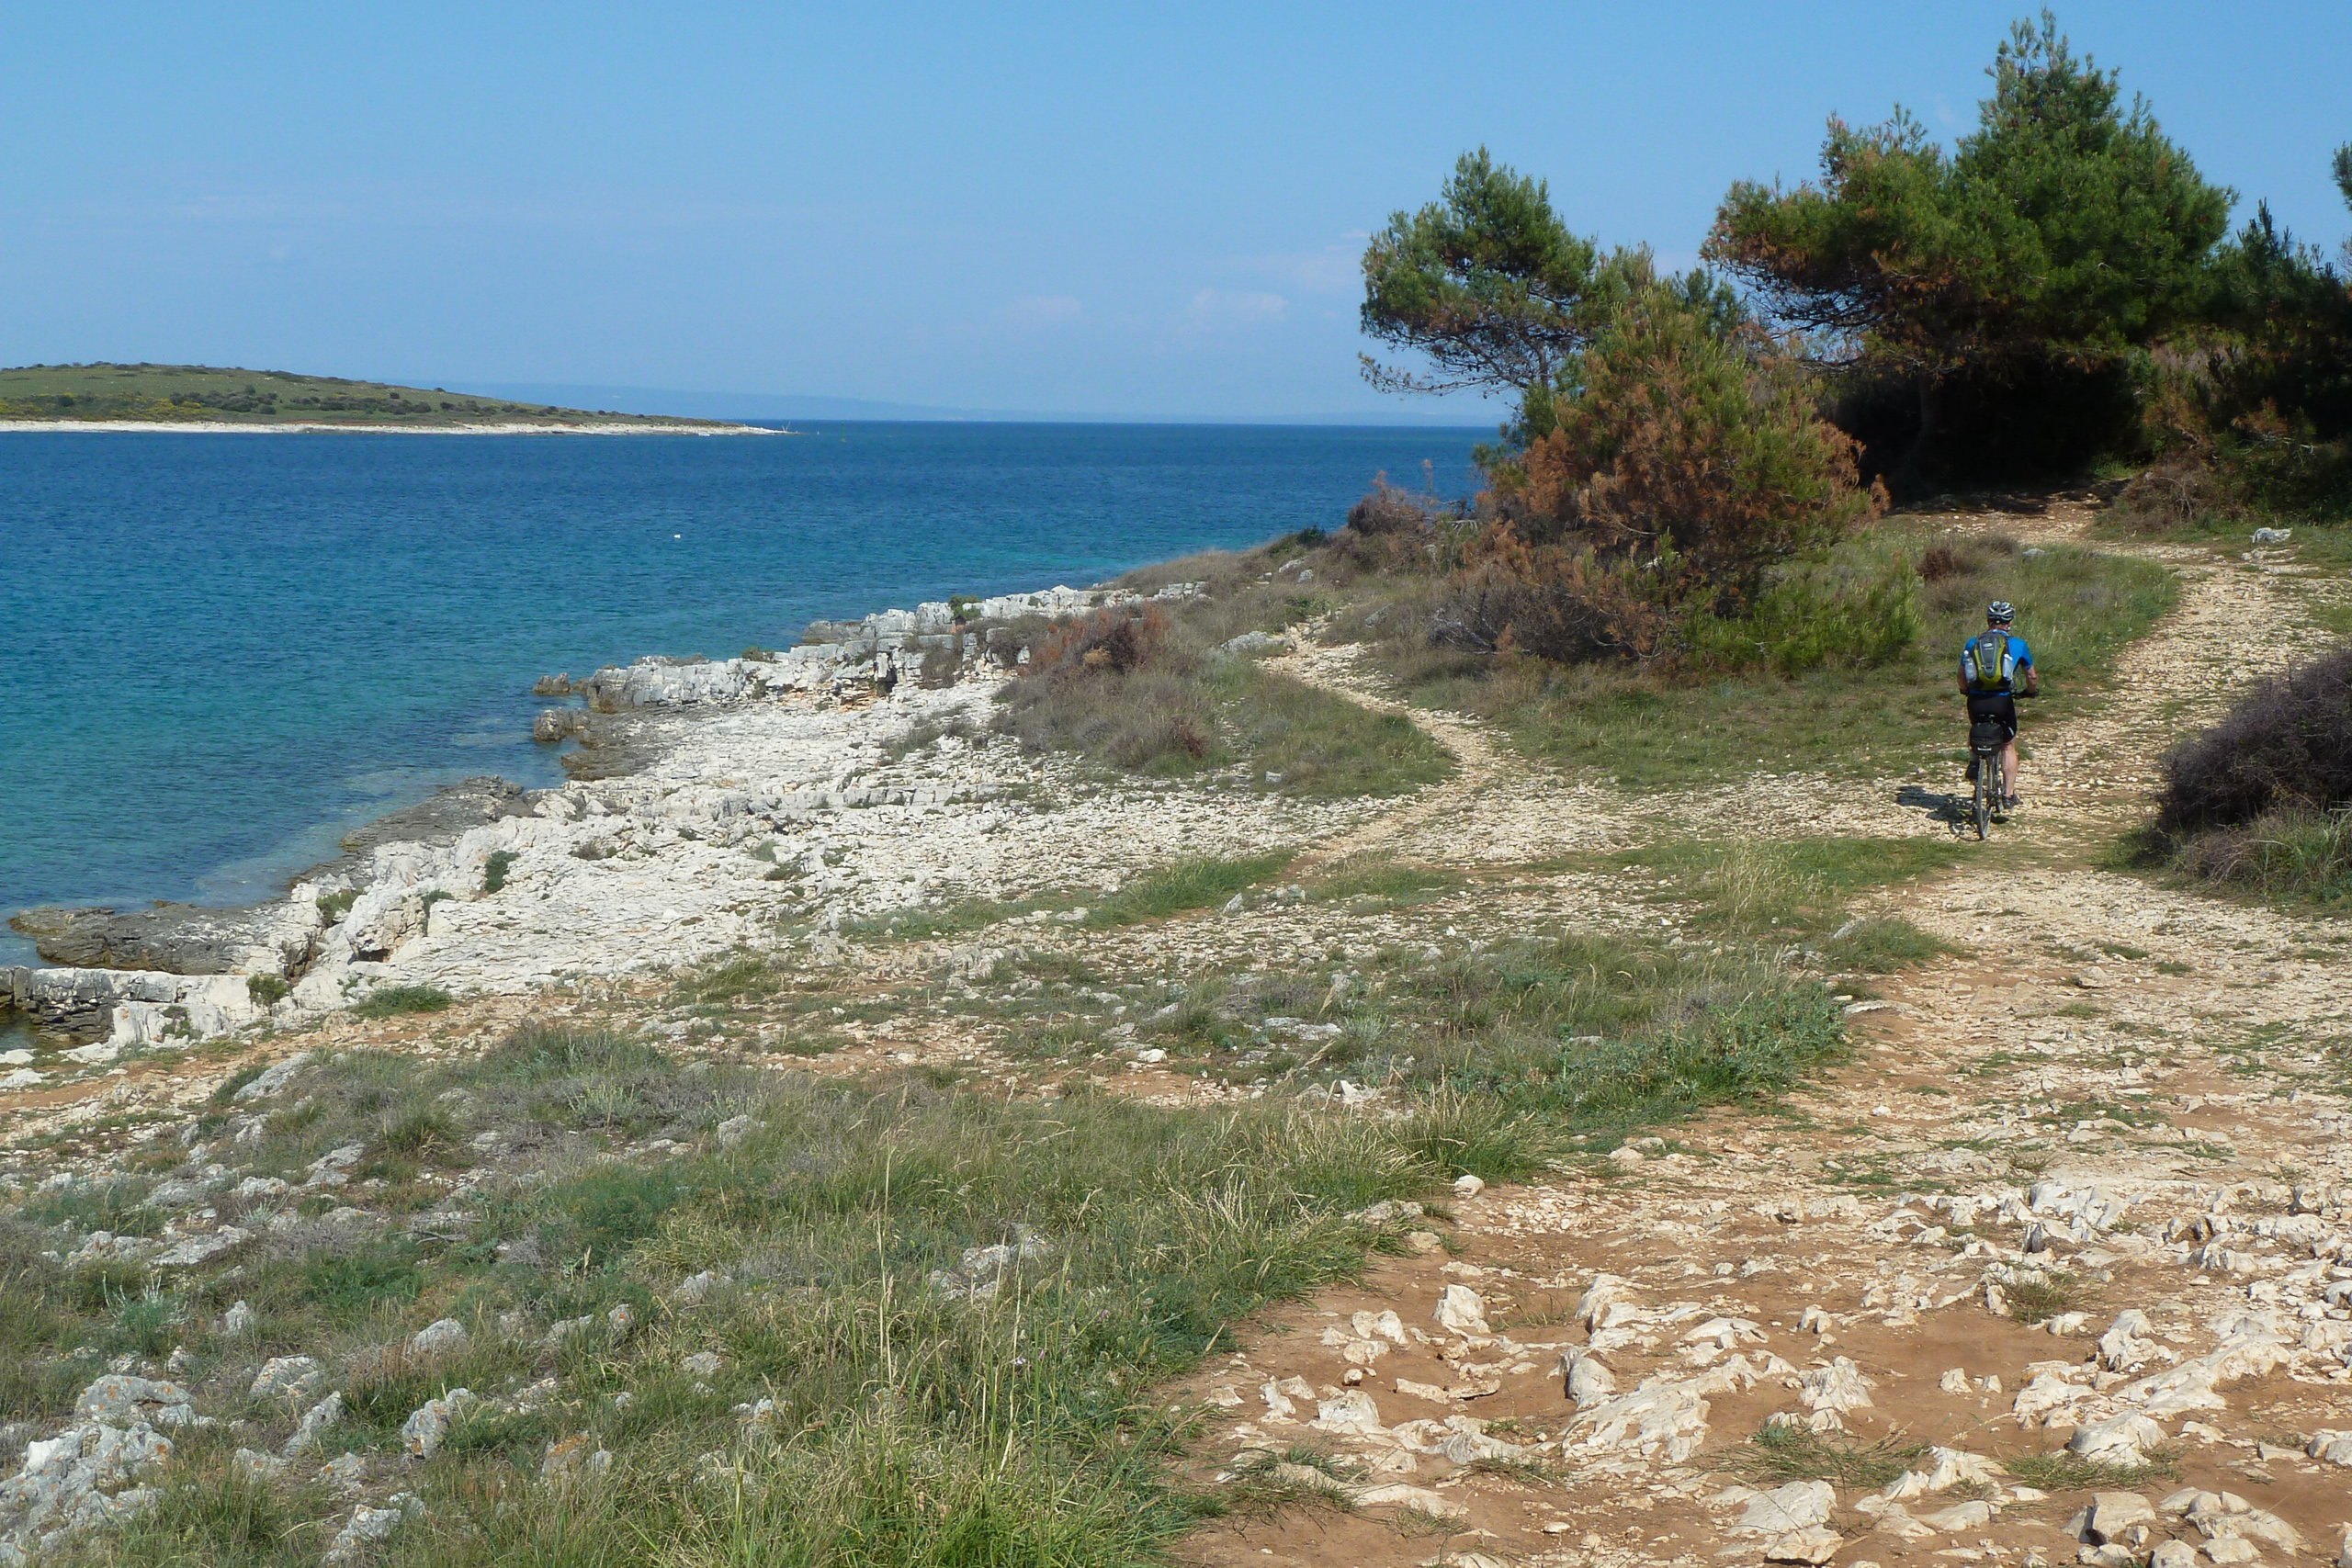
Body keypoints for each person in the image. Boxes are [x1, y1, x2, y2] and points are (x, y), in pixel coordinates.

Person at [1958, 601, 2037, 809]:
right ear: (2009, 622)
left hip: (1976, 700)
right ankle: (2008, 796)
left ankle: (1975, 762)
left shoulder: (1972, 642)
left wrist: (1966, 691)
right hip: (2002, 700)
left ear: (1988, 620)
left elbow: (1961, 675)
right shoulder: (2018, 644)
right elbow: (2032, 676)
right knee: (2007, 744)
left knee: (1977, 729)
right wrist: (2030, 692)